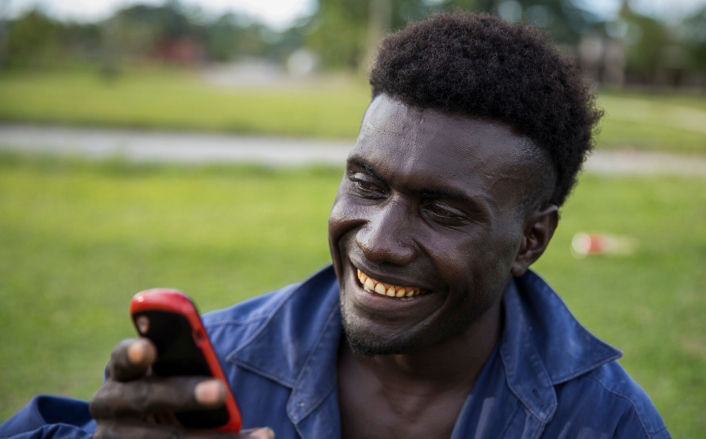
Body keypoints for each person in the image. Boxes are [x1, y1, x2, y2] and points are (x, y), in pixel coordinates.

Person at [1, 12, 670, 439]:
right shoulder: (220, 373)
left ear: (531, 239)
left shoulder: (607, 421)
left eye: (442, 209)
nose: (377, 239)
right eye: (366, 183)